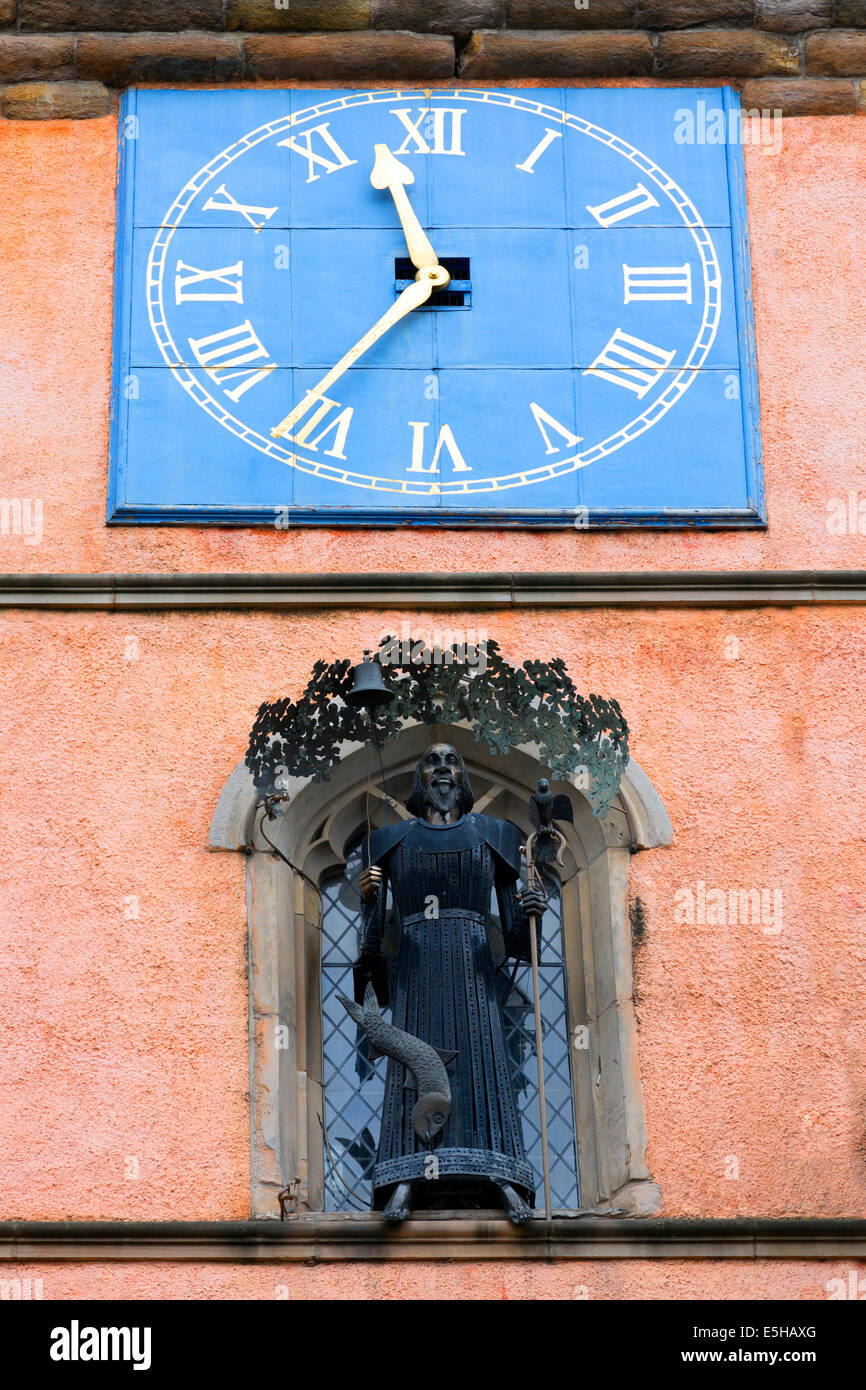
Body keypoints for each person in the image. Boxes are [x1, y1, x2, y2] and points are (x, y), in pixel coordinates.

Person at [354, 742, 547, 1222]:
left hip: (474, 971)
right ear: (419, 779)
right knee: (413, 1063)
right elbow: (373, 949)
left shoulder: (494, 835)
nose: (442, 768)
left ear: (463, 778)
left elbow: (521, 945)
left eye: (451, 761)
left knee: (482, 1061)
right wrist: (369, 901)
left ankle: (503, 1174)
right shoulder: (389, 841)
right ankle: (403, 1176)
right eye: (432, 761)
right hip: (417, 972)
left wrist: (532, 912)